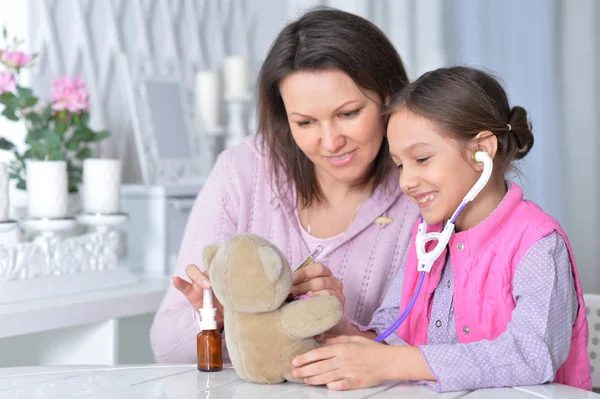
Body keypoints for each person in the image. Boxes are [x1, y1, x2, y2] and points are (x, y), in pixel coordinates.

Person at [292, 66, 592, 392]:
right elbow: (392, 330)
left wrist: (393, 363)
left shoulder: (537, 243)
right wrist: (341, 331)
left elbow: (532, 354)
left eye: (421, 159)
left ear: (483, 151)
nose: (406, 182)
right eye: (399, 165)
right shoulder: (427, 237)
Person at [150, 8, 420, 363]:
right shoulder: (242, 171)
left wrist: (338, 327)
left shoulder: (421, 189)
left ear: (389, 97)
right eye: (305, 122)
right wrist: (227, 317)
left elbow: (429, 353)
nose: (330, 142)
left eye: (348, 114)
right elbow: (167, 345)